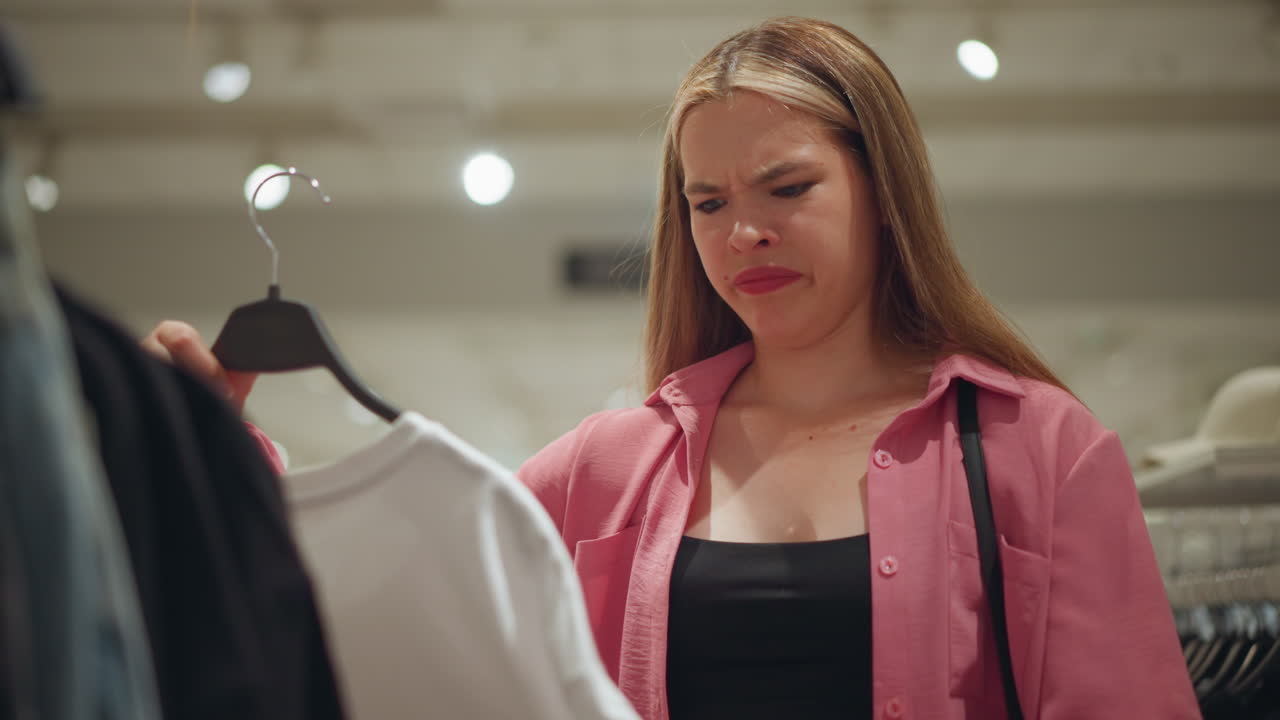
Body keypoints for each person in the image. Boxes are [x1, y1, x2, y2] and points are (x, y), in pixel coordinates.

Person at [145, 16, 1200, 720]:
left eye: (785, 187)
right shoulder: (602, 473)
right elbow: (383, 608)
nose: (742, 232)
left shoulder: (1035, 453)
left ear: (883, 191)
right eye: (707, 204)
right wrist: (205, 454)